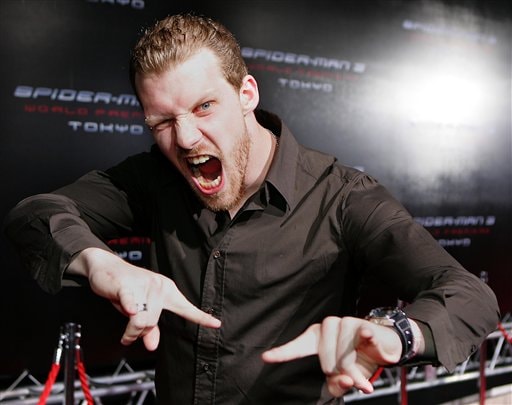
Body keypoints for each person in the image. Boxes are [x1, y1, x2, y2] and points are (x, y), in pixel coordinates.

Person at [4, 13, 500, 404]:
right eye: (161, 121)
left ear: (246, 94)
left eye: (203, 107)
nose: (185, 138)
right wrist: (101, 265)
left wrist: (395, 335)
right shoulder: (154, 178)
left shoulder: (342, 196)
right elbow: (35, 212)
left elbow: (469, 296)